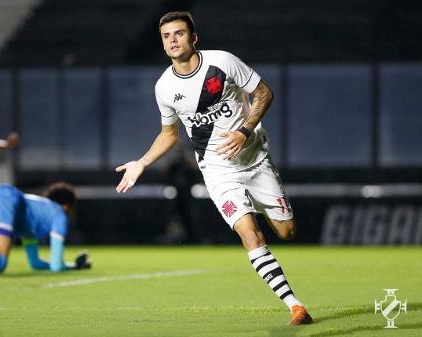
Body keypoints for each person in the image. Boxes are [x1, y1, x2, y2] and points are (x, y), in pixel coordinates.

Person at [115, 11, 312, 325]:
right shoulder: (164, 87)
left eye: (179, 34)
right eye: (167, 36)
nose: (173, 41)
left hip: (256, 160)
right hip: (218, 172)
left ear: (194, 38)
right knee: (250, 234)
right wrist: (142, 162)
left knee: (287, 232)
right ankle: (295, 306)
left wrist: (244, 130)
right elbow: (169, 134)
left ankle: (265, 206)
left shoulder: (222, 62)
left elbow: (264, 93)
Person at [0, 182, 91, 273]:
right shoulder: (59, 214)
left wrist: (73, 265)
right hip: (2, 197)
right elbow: (56, 266)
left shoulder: (35, 217)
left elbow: (35, 263)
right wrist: (73, 267)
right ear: (66, 206)